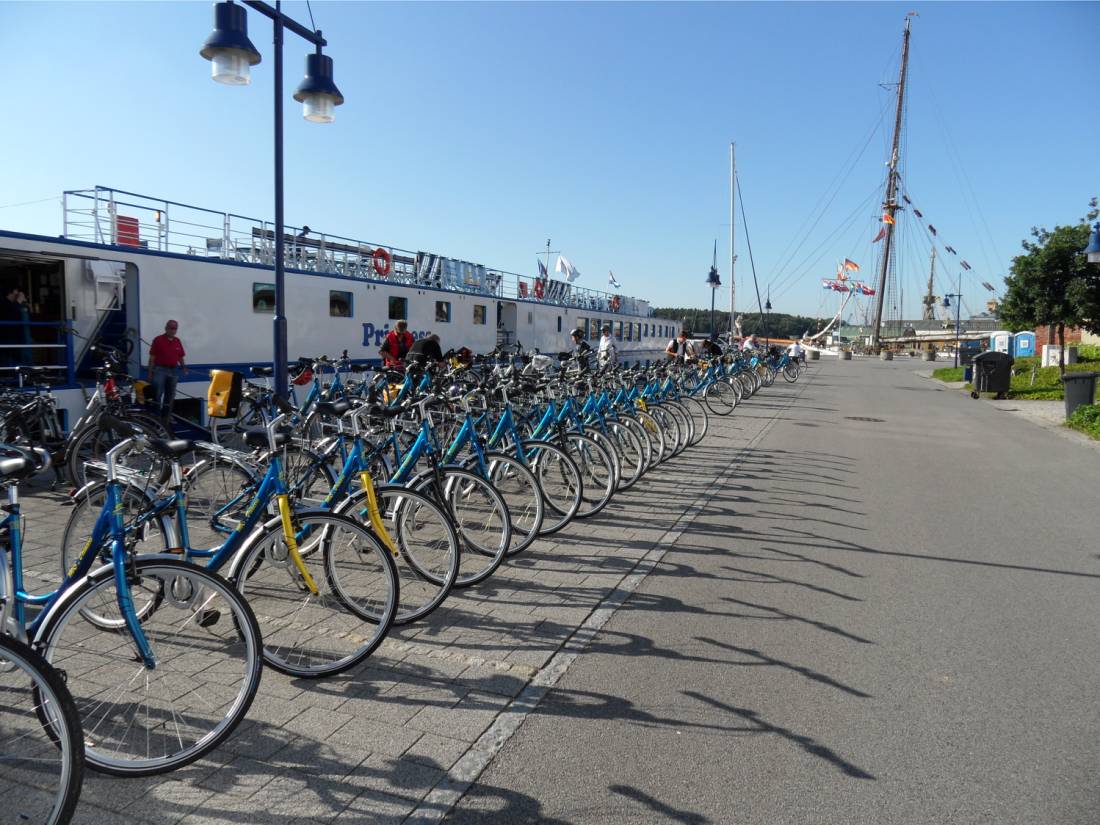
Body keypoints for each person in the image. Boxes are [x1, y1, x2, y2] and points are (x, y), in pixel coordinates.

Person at [147, 319, 187, 422]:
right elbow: (152, 357)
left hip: (173, 370)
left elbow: (180, 357)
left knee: (170, 394)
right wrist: (150, 372)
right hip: (160, 369)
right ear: (166, 328)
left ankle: (166, 416)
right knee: (158, 393)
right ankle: (157, 416)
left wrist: (184, 367)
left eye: (175, 328)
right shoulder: (158, 340)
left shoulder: (177, 341)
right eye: (171, 328)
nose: (173, 330)